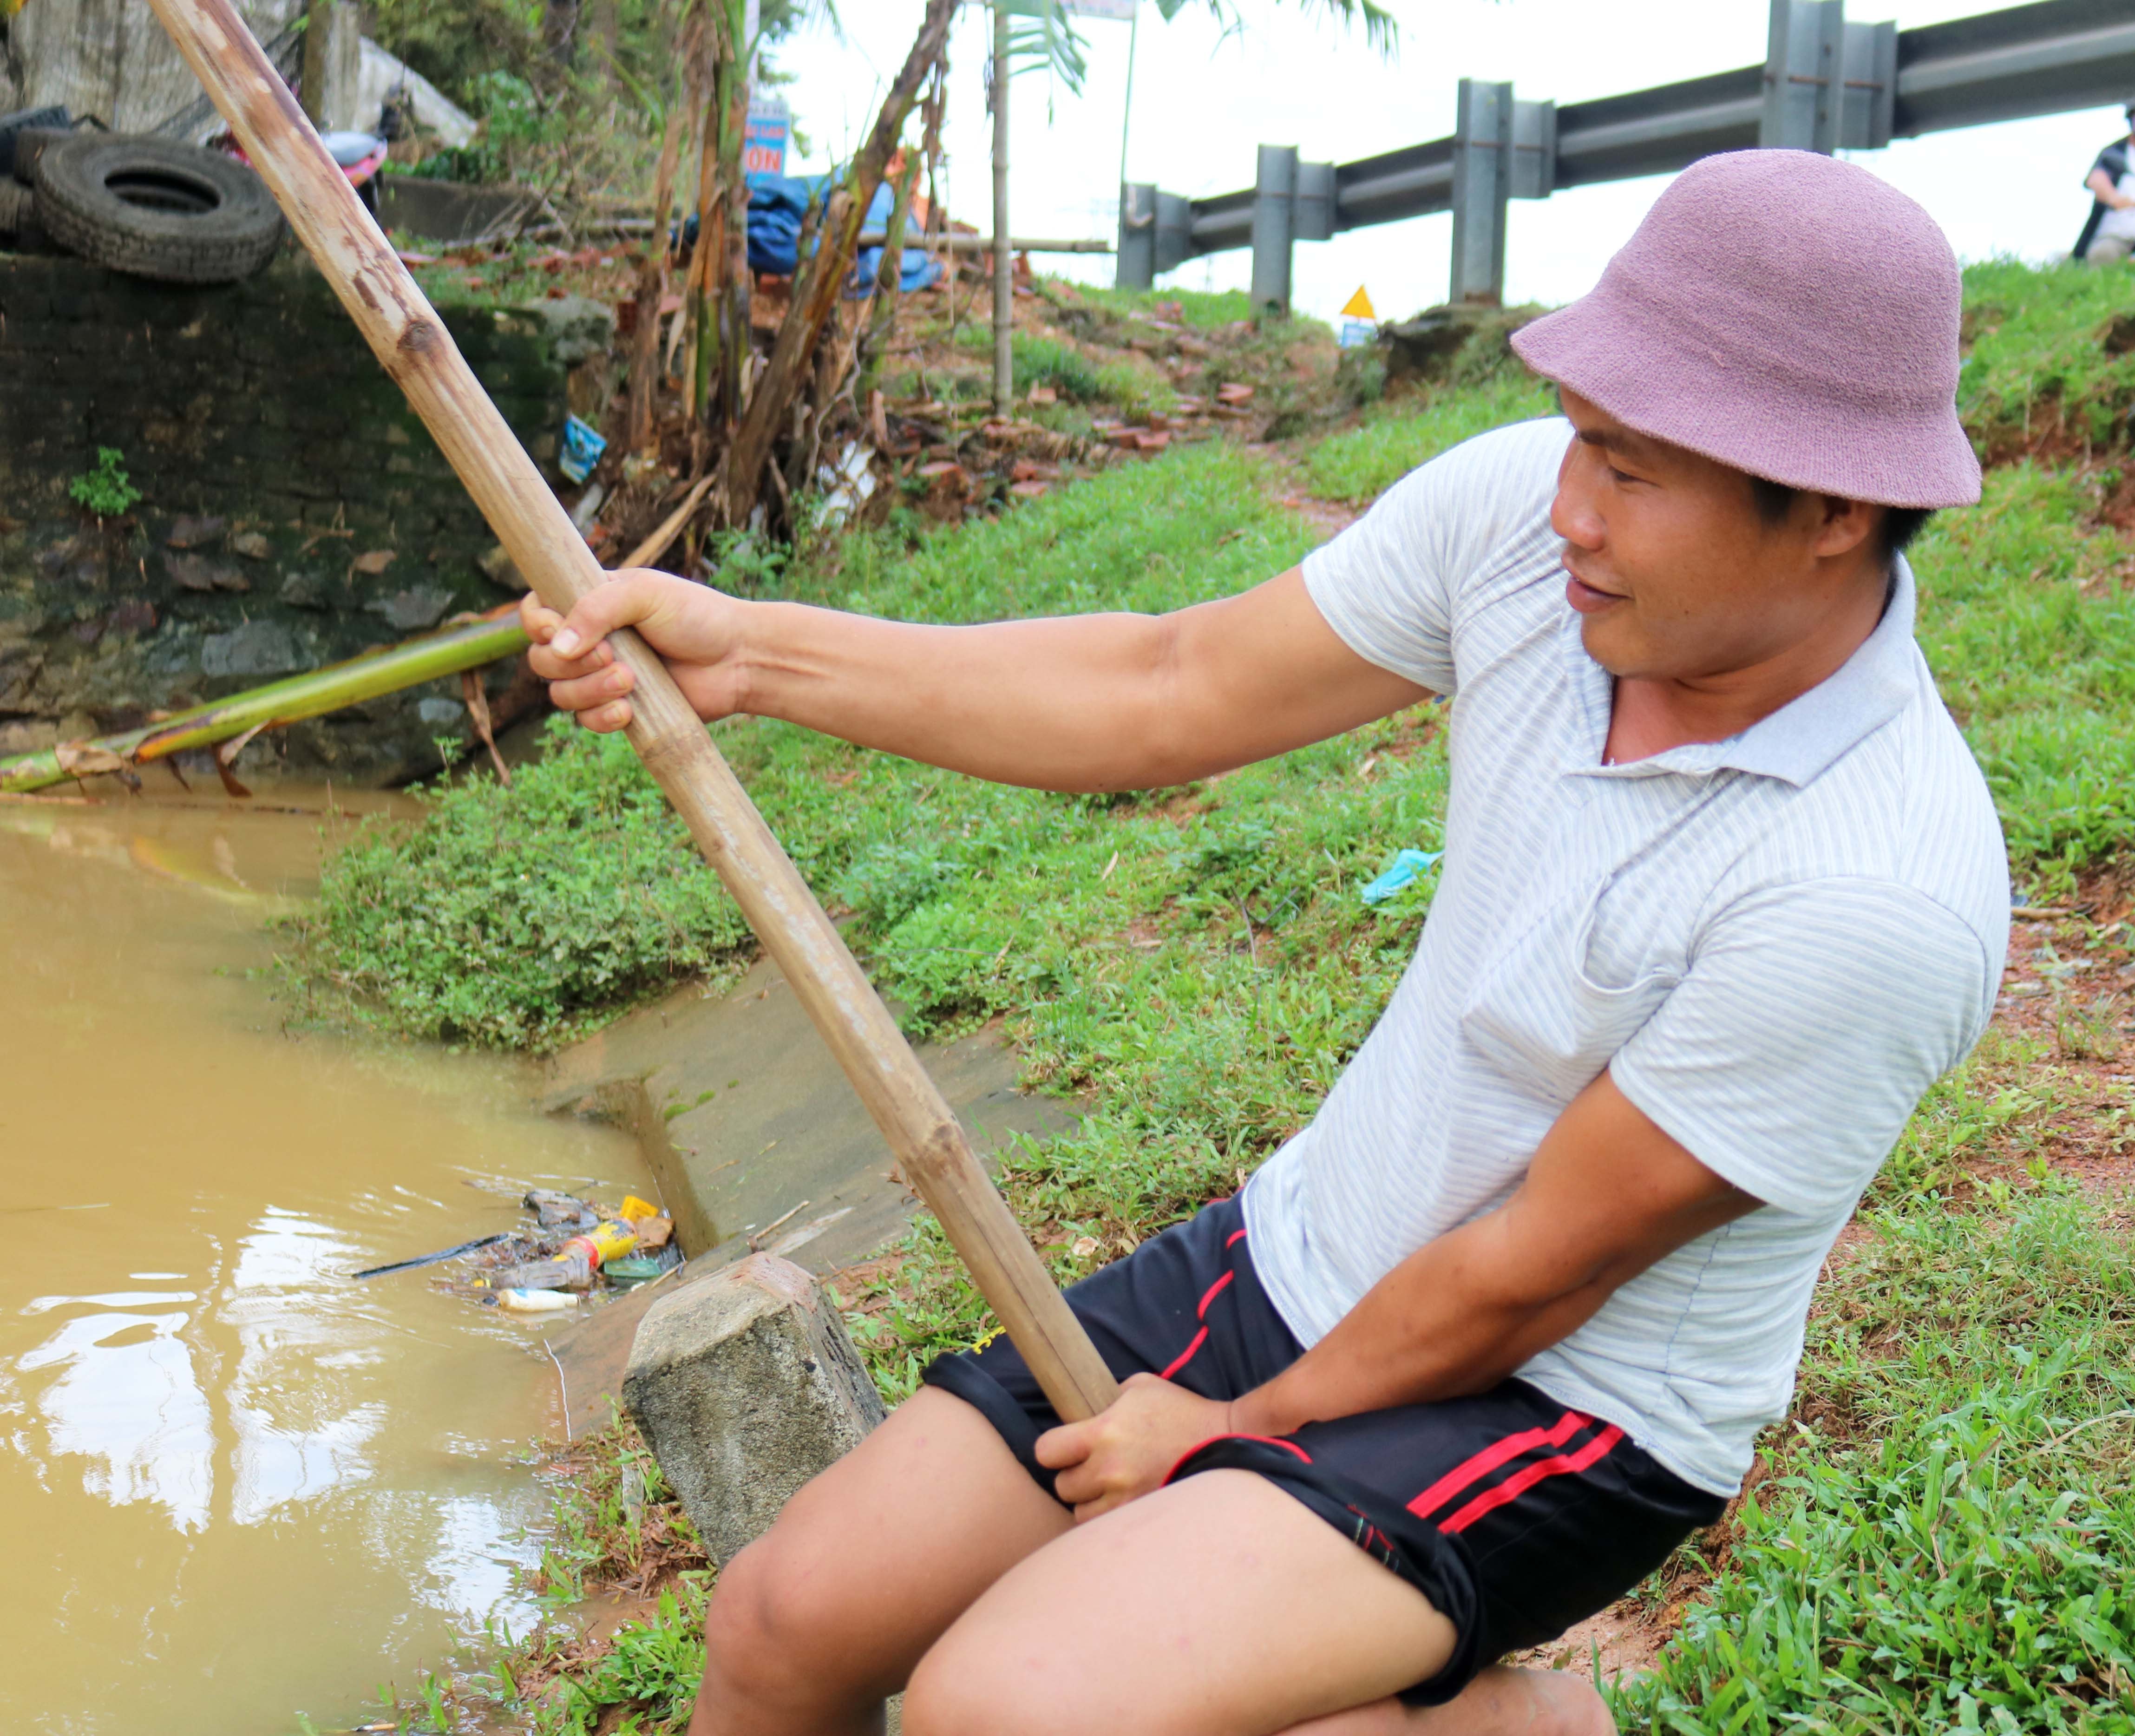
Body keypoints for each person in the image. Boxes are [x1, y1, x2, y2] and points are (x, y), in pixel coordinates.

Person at [522, 149, 2008, 1736]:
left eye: (1634, 473)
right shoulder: (1528, 526)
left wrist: (1228, 1426)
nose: (1570, 504)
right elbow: (1168, 683)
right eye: (1582, 437)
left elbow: (1531, 1274)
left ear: (1836, 509)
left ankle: (1499, 1719)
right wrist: (750, 646)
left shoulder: (1876, 885)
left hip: (1556, 1401)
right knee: (783, 1615)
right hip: (1308, 1246)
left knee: (1001, 1706)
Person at [2072, 97, 2135, 264]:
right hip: (2115, 236)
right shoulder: (2114, 153)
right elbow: (2096, 180)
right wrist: (2116, 199)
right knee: (2103, 255)